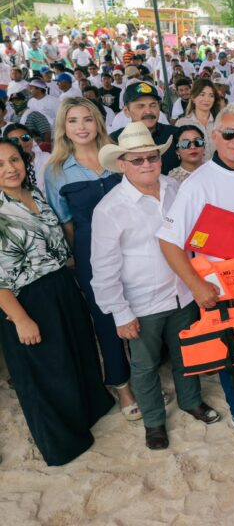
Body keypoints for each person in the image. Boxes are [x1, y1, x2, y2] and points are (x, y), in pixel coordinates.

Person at [90, 122, 219, 450]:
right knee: (145, 366)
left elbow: (193, 234)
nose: (147, 164)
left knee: (187, 355)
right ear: (122, 164)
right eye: (138, 160)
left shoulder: (175, 189)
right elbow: (104, 269)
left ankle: (191, 402)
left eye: (152, 157)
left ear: (161, 159)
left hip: (183, 292)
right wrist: (120, 313)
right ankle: (154, 422)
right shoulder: (109, 209)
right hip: (142, 301)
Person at [157, 103, 234, 441]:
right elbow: (168, 242)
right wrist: (196, 286)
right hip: (219, 286)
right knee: (230, 349)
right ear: (215, 136)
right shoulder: (198, 184)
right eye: (229, 134)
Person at [0, 137, 114, 466]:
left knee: (76, 356)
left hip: (61, 286)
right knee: (46, 373)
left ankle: (89, 413)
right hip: (25, 299)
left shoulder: (33, 193)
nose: (10, 168)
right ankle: (63, 442)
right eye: (1, 164)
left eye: (14, 160)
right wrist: (20, 319)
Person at [43, 97, 139, 418]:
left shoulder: (117, 158)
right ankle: (122, 384)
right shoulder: (57, 170)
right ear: (64, 128)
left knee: (140, 306)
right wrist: (81, 257)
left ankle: (144, 374)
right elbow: (65, 220)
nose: (81, 127)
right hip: (89, 249)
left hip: (133, 244)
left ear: (98, 122)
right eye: (73, 121)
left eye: (87, 119)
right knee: (106, 317)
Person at [113, 82, 180, 175]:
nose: (148, 111)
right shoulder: (114, 141)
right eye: (140, 106)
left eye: (153, 105)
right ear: (126, 111)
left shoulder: (176, 134)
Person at [175, 78, 221, 160]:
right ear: (193, 97)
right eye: (202, 94)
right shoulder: (182, 123)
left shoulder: (220, 122)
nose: (206, 99)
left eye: (211, 95)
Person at [3, 123, 50, 192]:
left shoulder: (48, 158)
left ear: (31, 139)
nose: (21, 143)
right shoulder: (7, 168)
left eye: (25, 137)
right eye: (14, 140)